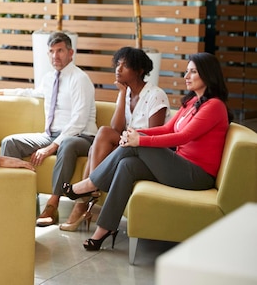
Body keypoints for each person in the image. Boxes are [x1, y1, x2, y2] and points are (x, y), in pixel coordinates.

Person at [62, 52, 232, 251]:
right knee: (127, 165)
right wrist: (136, 132)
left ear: (208, 74)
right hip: (179, 166)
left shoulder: (214, 106)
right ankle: (104, 229)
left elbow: (183, 137)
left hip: (196, 175)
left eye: (193, 72)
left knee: (136, 146)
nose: (186, 76)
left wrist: (139, 139)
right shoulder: (191, 103)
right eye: (186, 71)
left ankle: (91, 183)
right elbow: (168, 129)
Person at [60, 47, 170, 232]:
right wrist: (120, 94)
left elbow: (154, 135)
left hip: (147, 152)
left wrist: (128, 138)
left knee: (96, 147)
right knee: (102, 135)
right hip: (128, 146)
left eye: (125, 65)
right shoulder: (126, 93)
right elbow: (116, 129)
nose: (118, 69)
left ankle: (85, 198)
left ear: (140, 70)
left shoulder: (155, 94)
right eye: (117, 64)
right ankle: (91, 188)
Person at [0, 31, 97, 227]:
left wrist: (52, 147)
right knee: (10, 142)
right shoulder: (50, 77)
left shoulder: (80, 79)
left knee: (67, 143)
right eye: (51, 51)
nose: (55, 56)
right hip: (51, 134)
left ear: (71, 53)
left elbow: (79, 120)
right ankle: (15, 200)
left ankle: (52, 205)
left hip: (83, 136)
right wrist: (3, 91)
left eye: (60, 51)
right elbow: (34, 93)